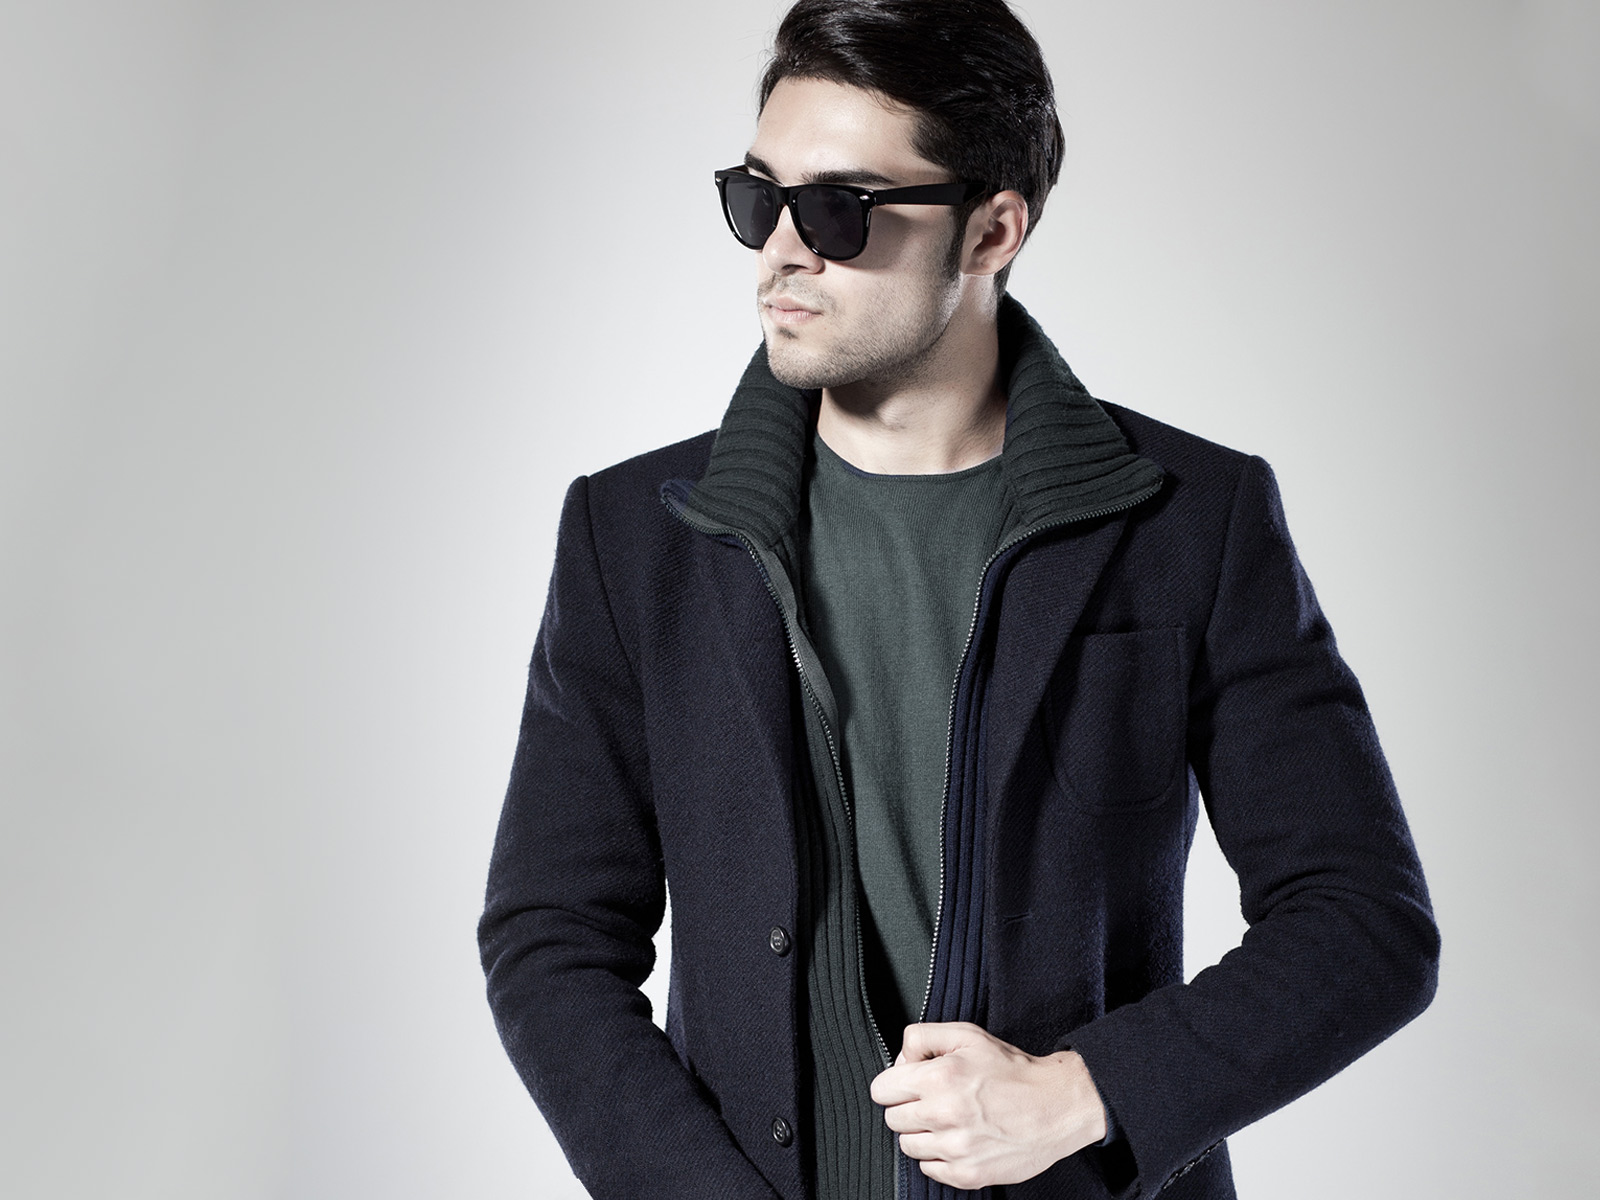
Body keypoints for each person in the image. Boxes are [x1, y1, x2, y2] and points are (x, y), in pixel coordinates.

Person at [478, 1, 1439, 1197]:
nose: (782, 251)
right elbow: (552, 937)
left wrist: (1085, 1093)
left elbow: (1360, 921)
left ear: (991, 230)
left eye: (840, 209)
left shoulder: (1191, 521)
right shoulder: (634, 537)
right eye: (757, 198)